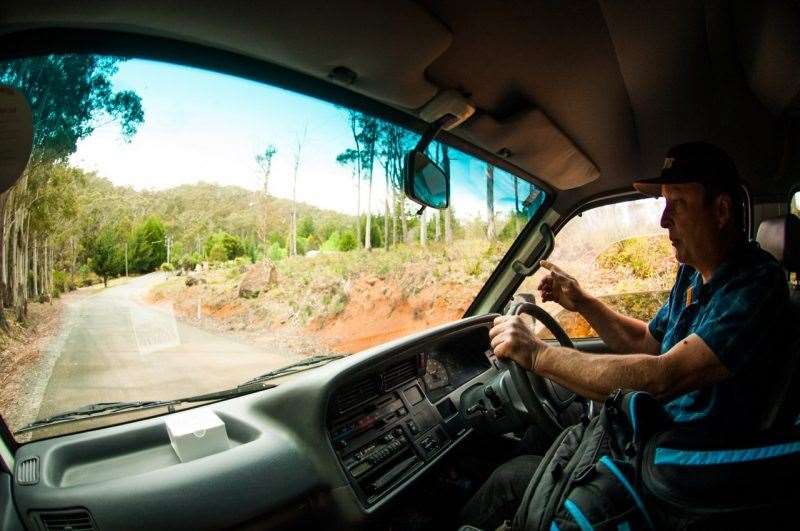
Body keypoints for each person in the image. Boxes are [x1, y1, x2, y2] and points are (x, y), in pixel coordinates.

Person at [460, 141, 792, 530]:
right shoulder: (694, 272)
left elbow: (663, 376)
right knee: (538, 437)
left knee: (508, 480)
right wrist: (583, 302)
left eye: (677, 204)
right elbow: (647, 344)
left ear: (720, 210)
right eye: (664, 204)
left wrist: (536, 355)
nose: (664, 220)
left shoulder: (755, 285)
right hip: (650, 438)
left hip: (676, 468)